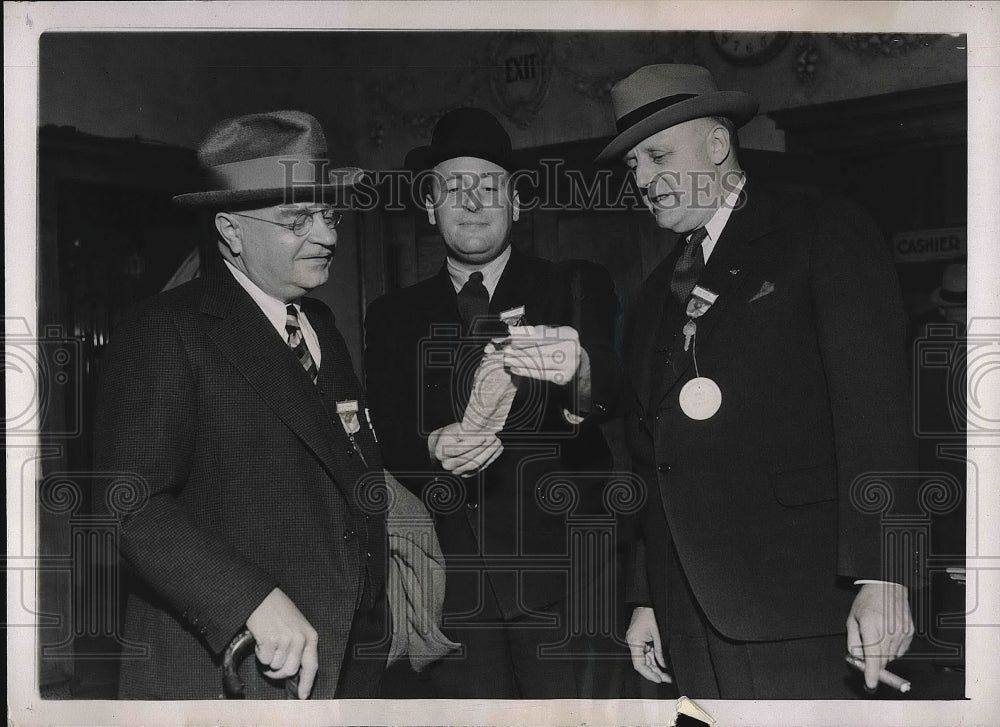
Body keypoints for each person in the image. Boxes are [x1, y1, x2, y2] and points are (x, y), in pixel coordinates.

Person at [596, 65, 918, 698]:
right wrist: (645, 596)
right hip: (685, 614)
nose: (644, 180)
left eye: (659, 155)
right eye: (634, 166)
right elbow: (650, 459)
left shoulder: (821, 231)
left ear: (718, 146)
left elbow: (875, 413)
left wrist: (887, 574)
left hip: (800, 607)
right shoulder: (655, 291)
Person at [93, 110, 388, 699]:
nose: (328, 235)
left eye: (328, 214)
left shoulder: (318, 323)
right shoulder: (168, 328)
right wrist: (246, 599)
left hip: (338, 650)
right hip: (232, 667)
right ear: (230, 231)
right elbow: (128, 502)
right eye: (297, 219)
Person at [364, 108, 623, 697]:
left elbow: (609, 393)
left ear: (517, 202)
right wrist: (430, 444)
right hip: (449, 586)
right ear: (429, 208)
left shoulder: (573, 286)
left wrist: (577, 372)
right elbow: (386, 433)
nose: (472, 202)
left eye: (488, 187)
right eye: (452, 188)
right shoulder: (391, 316)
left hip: (563, 579)